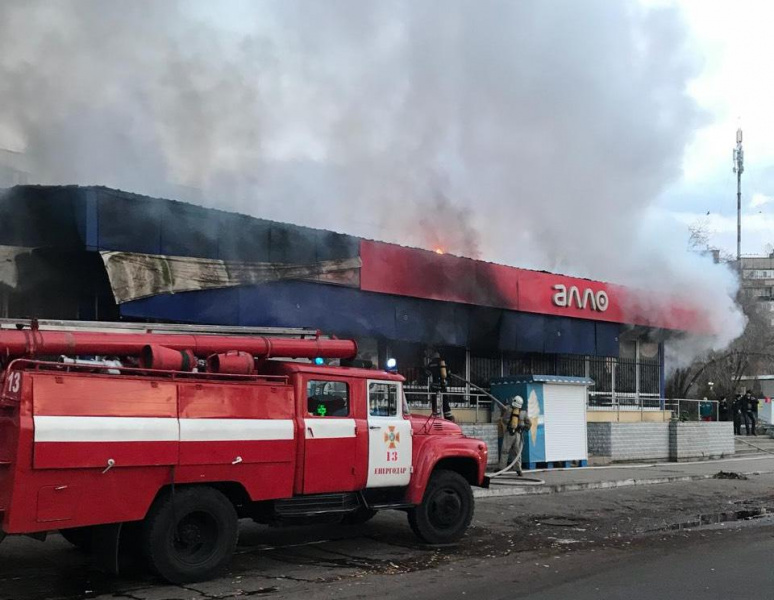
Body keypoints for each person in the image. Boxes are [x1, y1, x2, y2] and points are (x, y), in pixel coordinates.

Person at [499, 396, 532, 475]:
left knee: (505, 451)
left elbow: (504, 420)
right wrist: (523, 427)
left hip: (509, 434)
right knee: (517, 453)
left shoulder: (509, 410)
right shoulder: (523, 413)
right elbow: (529, 424)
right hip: (518, 435)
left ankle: (501, 469)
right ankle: (518, 470)